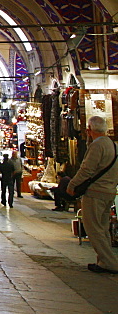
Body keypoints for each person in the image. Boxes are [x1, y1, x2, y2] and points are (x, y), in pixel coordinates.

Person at [66, 115, 118, 274]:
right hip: (108, 191)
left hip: (96, 193)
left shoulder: (97, 146)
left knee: (93, 228)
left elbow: (86, 170)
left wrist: (72, 185)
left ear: (89, 130)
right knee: (102, 228)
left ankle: (111, 263)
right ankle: (103, 262)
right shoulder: (113, 145)